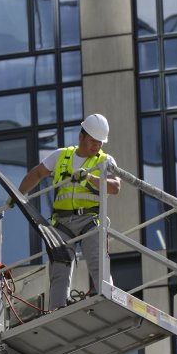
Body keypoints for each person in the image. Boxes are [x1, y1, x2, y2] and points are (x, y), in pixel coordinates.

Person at [18, 114, 122, 311]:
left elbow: (115, 187)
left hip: (90, 218)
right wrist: (17, 195)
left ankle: (108, 299)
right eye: (93, 140)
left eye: (100, 142)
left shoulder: (105, 160)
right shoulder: (62, 156)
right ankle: (58, 307)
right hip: (63, 222)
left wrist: (90, 178)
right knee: (60, 267)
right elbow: (37, 173)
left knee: (97, 260)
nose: (96, 146)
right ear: (81, 137)